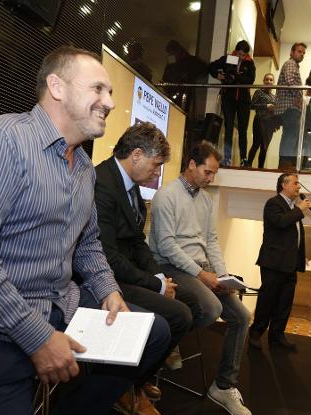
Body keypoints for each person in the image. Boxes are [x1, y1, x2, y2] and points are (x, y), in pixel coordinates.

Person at [0, 46, 171, 415]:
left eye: (110, 93)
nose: (110, 102)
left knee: (154, 333)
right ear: (57, 87)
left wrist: (109, 291)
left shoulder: (83, 166)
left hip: (53, 305)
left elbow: (88, 245)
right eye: (98, 89)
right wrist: (38, 338)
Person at [94, 122, 195, 414]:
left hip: (125, 272)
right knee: (178, 317)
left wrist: (160, 276)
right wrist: (158, 285)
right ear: (136, 155)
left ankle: (138, 378)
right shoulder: (103, 182)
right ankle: (125, 387)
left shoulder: (129, 185)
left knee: (183, 305)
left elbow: (138, 242)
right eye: (156, 164)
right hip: (105, 280)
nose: (158, 172)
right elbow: (109, 256)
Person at [149, 142, 252, 415]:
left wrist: (222, 274)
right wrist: (202, 275)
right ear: (192, 165)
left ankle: (223, 386)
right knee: (212, 307)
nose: (211, 179)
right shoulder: (166, 195)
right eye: (208, 172)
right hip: (172, 265)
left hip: (201, 268)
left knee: (242, 316)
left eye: (214, 174)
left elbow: (211, 241)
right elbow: (167, 245)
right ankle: (167, 338)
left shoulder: (205, 200)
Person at [249, 173, 311, 351]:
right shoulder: (273, 204)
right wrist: (299, 210)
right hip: (274, 264)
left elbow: (293, 238)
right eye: (295, 183)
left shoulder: (292, 207)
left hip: (289, 266)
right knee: (267, 301)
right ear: (284, 185)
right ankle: (255, 333)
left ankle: (277, 335)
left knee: (284, 303)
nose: (299, 187)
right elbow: (281, 223)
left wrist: (300, 256)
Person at [209, 40, 256, 167]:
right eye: (238, 54)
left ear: (246, 54)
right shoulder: (228, 58)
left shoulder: (250, 63)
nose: (240, 57)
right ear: (235, 51)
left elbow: (250, 80)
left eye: (242, 55)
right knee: (228, 127)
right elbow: (211, 66)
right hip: (228, 97)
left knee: (243, 129)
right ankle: (227, 157)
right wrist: (219, 76)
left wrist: (236, 77)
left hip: (244, 99)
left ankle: (243, 158)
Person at [276, 42, 307, 170]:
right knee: (291, 136)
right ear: (292, 52)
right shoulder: (291, 64)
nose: (302, 54)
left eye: (303, 53)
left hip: (287, 107)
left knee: (288, 135)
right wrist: (298, 97)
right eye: (299, 51)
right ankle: (286, 164)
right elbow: (290, 81)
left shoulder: (293, 65)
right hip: (289, 107)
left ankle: (284, 164)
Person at [247, 72, 279, 168]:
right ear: (264, 81)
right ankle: (248, 165)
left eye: (271, 80)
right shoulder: (258, 92)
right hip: (259, 121)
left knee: (264, 147)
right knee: (256, 144)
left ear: (273, 82)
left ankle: (260, 168)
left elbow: (277, 112)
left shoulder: (275, 97)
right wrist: (266, 106)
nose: (269, 81)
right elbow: (251, 105)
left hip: (270, 124)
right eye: (267, 79)